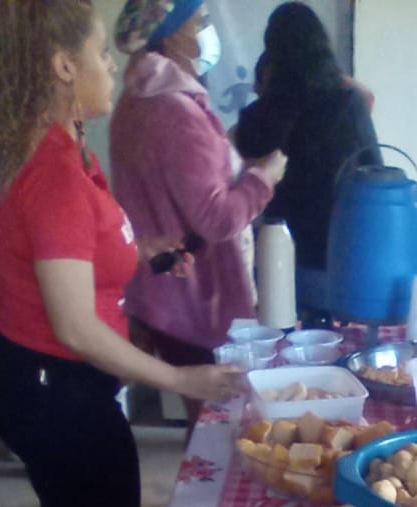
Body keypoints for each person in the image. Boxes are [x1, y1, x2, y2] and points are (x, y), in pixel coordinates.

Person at [0, 0, 248, 507]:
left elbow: (64, 252)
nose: (113, 68)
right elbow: (74, 325)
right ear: (62, 66)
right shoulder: (54, 174)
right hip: (54, 386)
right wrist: (179, 380)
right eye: (99, 54)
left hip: (26, 372)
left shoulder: (46, 143)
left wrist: (138, 251)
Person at [111, 0, 287, 424]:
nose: (209, 31)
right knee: (220, 423)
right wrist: (263, 178)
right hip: (197, 297)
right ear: (171, 35)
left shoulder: (134, 102)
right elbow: (217, 218)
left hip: (162, 293)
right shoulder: (176, 112)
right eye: (201, 21)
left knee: (205, 420)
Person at [235, 1, 380, 324]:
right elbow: (376, 174)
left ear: (272, 55)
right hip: (345, 265)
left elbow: (231, 168)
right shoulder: (349, 106)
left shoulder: (260, 116)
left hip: (276, 267)